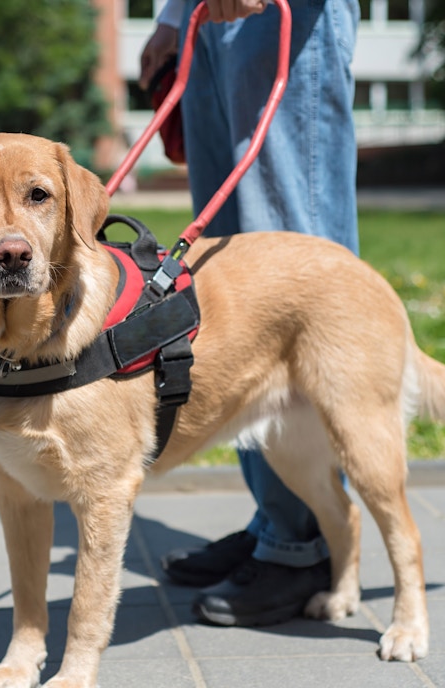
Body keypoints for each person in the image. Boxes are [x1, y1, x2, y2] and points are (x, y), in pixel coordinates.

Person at [139, 0, 360, 627]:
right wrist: (177, 17)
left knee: (290, 261)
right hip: (212, 21)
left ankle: (304, 546)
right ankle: (278, 520)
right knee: (228, 275)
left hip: (288, 14)